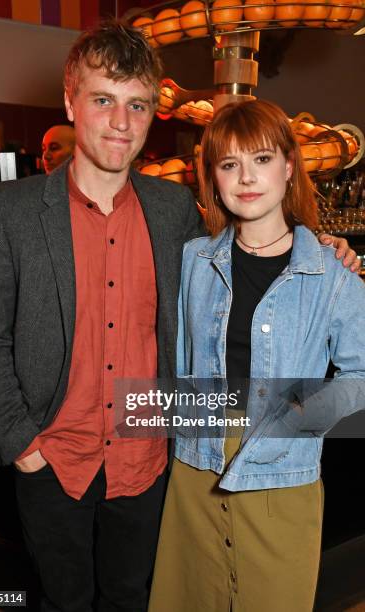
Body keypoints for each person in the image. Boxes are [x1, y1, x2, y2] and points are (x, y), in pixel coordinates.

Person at [0, 21, 358, 612]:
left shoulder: (175, 211)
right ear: (71, 99)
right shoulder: (10, 211)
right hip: (52, 456)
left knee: (136, 598)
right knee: (60, 599)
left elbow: (258, 242)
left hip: (150, 454)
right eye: (104, 101)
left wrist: (327, 247)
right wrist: (23, 443)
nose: (121, 123)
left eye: (138, 105)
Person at [149, 99, 365, 612]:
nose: (246, 177)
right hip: (195, 466)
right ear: (214, 178)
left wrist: (296, 413)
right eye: (229, 164)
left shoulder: (332, 275)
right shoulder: (192, 262)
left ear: (290, 167)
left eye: (262, 159)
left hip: (282, 473)